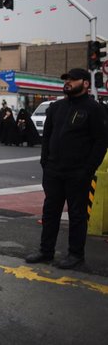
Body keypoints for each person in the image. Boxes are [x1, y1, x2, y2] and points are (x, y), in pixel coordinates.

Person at [25, 68, 108, 269]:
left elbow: (101, 141)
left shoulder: (94, 109)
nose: (68, 82)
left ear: (85, 83)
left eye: (72, 79)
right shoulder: (56, 107)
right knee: (50, 211)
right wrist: (45, 162)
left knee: (77, 214)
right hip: (53, 170)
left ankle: (76, 254)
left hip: (78, 171)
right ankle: (46, 251)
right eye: (66, 79)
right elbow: (47, 137)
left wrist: (88, 168)